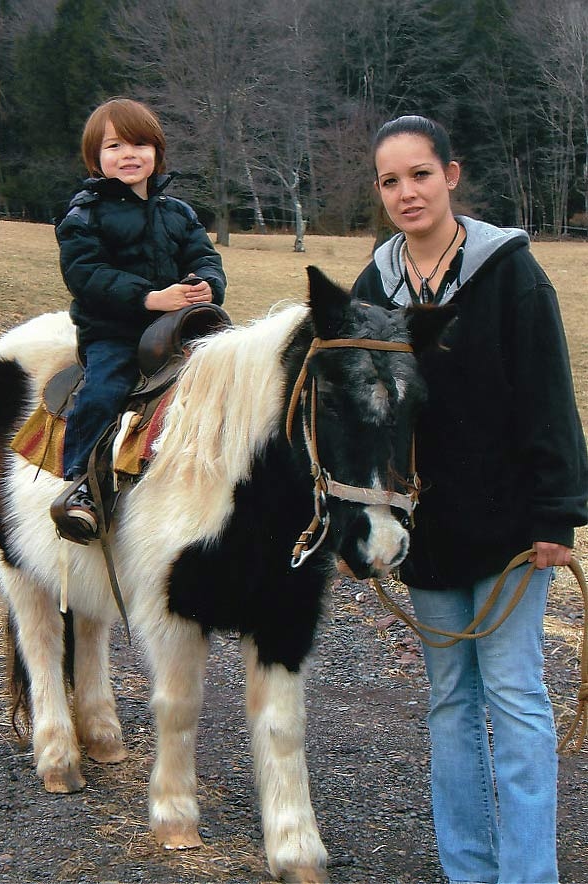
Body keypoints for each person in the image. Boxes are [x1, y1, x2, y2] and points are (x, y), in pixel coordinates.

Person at [351, 114, 588, 884]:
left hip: (514, 523)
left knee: (515, 694)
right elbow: (358, 412)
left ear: (451, 175)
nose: (406, 192)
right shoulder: (373, 287)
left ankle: (529, 874)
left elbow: (550, 395)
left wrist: (558, 515)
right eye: (391, 180)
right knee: (452, 698)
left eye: (420, 174)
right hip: (429, 527)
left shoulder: (511, 271)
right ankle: (468, 869)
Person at [54, 97, 227, 538]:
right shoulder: (84, 215)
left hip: (175, 333)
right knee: (104, 389)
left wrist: (207, 285)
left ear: (157, 152)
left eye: (138, 143)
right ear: (95, 159)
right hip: (114, 333)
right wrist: (150, 297)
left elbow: (205, 256)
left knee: (228, 387)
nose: (128, 154)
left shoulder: (178, 213)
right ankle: (81, 485)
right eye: (113, 146)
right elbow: (86, 274)